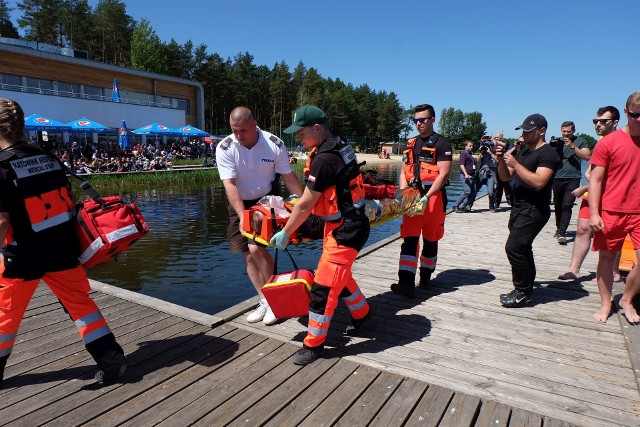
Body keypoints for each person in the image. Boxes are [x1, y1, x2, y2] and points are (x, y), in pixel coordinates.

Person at [0, 98, 126, 386]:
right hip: (62, 249)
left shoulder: (2, 167)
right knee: (82, 307)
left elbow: (2, 221)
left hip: (22, 256)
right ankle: (112, 362)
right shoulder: (49, 157)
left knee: (4, 319)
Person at [271, 105, 372, 365]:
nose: (298, 139)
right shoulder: (340, 145)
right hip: (342, 224)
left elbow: (305, 205)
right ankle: (363, 315)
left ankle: (313, 344)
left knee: (323, 289)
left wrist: (285, 232)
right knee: (340, 275)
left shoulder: (325, 158)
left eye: (301, 133)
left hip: (346, 229)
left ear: (317, 128)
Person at [216, 107, 302, 326]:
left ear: (255, 124)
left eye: (243, 130)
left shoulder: (274, 144)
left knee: (257, 248)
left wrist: (304, 203)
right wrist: (243, 216)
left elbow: (288, 176)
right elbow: (229, 184)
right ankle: (264, 300)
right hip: (239, 202)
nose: (238, 135)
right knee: (246, 253)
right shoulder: (225, 147)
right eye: (234, 130)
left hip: (266, 201)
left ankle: (275, 301)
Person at [496, 114, 560, 307]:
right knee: (523, 249)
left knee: (514, 248)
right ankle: (525, 289)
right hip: (518, 207)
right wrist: (500, 160)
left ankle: (522, 291)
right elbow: (506, 177)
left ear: (542, 131)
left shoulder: (548, 154)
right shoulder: (524, 151)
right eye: (523, 130)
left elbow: (540, 182)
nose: (524, 133)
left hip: (534, 209)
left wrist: (515, 163)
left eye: (528, 130)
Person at [391, 104, 453, 297]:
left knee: (431, 239)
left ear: (432, 119)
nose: (419, 124)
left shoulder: (442, 143)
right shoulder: (410, 143)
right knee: (409, 239)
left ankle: (425, 278)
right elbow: (403, 171)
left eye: (422, 120)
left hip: (433, 199)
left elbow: (443, 174)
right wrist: (403, 194)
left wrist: (427, 197)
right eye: (416, 120)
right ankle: (406, 283)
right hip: (412, 198)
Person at [589, 92, 640, 324]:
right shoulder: (609, 142)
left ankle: (626, 299)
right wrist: (594, 213)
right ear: (627, 112)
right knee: (607, 260)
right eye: (635, 114)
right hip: (612, 211)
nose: (639, 119)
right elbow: (595, 180)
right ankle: (605, 303)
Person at [558, 106, 621, 282]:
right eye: (595, 121)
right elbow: (594, 172)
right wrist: (588, 182)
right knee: (582, 229)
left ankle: (613, 272)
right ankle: (573, 269)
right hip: (592, 194)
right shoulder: (601, 141)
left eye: (602, 121)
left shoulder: (621, 141)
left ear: (615, 122)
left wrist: (583, 187)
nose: (598, 124)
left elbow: (613, 177)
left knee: (611, 233)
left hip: (610, 196)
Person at [551, 121, 591, 244]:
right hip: (557, 178)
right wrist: (553, 147)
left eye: (568, 131)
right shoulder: (557, 141)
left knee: (567, 205)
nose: (566, 134)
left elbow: (587, 156)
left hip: (573, 178)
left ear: (573, 131)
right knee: (558, 205)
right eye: (564, 131)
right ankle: (559, 228)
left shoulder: (580, 141)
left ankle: (562, 233)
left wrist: (572, 147)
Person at [475, 136, 500, 212]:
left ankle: (491, 206)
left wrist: (490, 152)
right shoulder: (483, 150)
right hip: (482, 172)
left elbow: (498, 161)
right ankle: (468, 205)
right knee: (475, 189)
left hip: (491, 172)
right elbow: (476, 162)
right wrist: (481, 151)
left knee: (491, 192)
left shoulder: (497, 151)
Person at [452, 140, 476, 212]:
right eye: (470, 146)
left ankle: (463, 206)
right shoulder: (464, 154)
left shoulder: (470, 154)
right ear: (466, 146)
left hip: (472, 176)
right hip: (465, 175)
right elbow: (461, 164)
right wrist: (465, 174)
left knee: (473, 193)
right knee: (467, 191)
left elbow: (474, 164)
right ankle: (455, 205)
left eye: (472, 146)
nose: (471, 147)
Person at [494, 133, 512, 208]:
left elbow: (505, 145)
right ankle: (497, 203)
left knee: (507, 187)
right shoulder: (493, 145)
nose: (497, 138)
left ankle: (510, 202)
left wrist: (497, 142)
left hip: (505, 168)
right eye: (496, 137)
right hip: (497, 168)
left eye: (498, 137)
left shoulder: (506, 143)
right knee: (499, 187)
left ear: (501, 137)